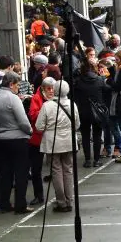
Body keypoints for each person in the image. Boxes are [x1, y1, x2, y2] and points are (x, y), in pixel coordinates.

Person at [0, 72, 33, 214]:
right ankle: (20, 204)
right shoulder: (13, 99)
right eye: (17, 85)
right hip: (17, 139)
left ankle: (4, 203)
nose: (18, 88)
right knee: (21, 173)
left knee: (5, 173)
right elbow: (23, 121)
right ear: (11, 84)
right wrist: (30, 131)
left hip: (1, 138)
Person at [35, 80, 79, 212]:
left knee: (56, 171)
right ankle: (69, 200)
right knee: (68, 170)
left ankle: (61, 202)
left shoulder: (47, 106)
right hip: (69, 141)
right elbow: (77, 125)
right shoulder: (72, 104)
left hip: (52, 141)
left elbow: (39, 126)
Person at [72, 58, 106, 168]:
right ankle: (96, 160)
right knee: (97, 135)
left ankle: (87, 159)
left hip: (83, 111)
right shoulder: (100, 80)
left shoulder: (78, 82)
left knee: (85, 135)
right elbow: (107, 89)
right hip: (97, 111)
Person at [27, 77, 54, 205]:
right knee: (36, 169)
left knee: (56, 168)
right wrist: (46, 111)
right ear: (43, 89)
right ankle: (39, 195)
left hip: (53, 137)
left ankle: (60, 195)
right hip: (38, 138)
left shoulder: (57, 98)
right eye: (48, 89)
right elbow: (32, 115)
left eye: (53, 89)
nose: (51, 91)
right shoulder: (36, 98)